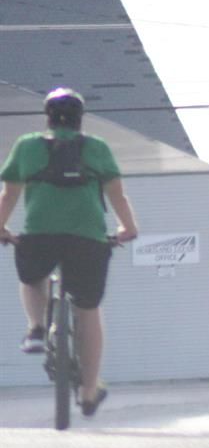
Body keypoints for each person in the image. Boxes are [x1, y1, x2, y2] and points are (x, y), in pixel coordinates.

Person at [0, 88, 138, 417]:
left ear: (47, 117)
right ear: (80, 119)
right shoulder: (97, 148)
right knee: (88, 308)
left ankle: (36, 328)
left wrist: (2, 228)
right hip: (87, 239)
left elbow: (9, 195)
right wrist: (128, 229)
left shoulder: (27, 146)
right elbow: (117, 196)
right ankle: (89, 391)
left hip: (40, 235)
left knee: (32, 277)